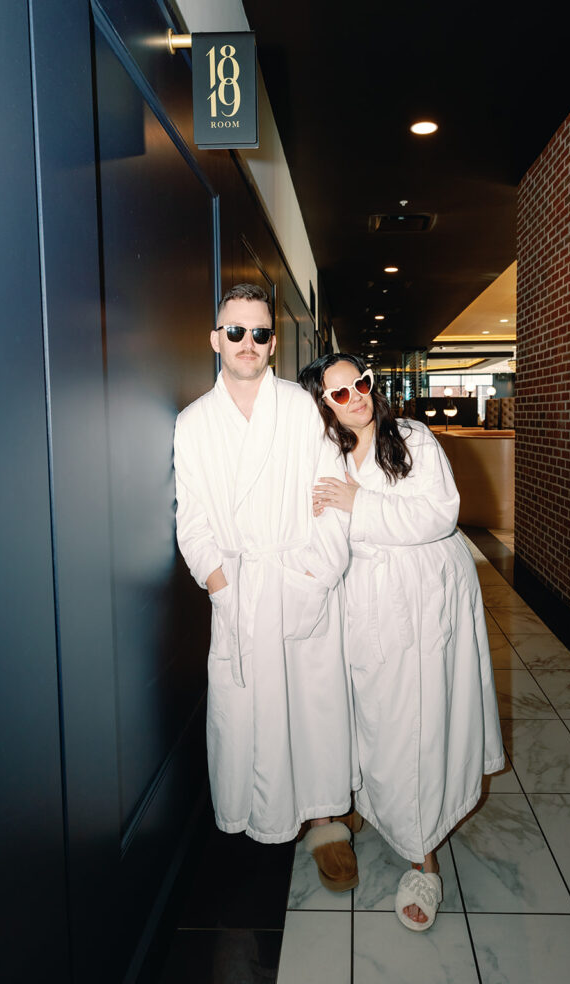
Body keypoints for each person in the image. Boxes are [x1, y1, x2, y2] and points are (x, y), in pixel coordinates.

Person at [299, 353, 504, 930]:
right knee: (377, 716)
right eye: (338, 394)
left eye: (359, 384)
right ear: (323, 405)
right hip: (367, 600)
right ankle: (377, 808)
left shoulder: (410, 435)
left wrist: (358, 503)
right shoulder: (324, 454)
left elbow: (439, 514)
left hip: (426, 598)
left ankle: (424, 860)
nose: (355, 397)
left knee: (419, 723)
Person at [173, 285, 359, 890]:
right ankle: (262, 823)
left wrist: (312, 578)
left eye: (258, 333)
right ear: (215, 339)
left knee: (315, 709)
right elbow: (192, 520)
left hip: (301, 579)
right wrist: (224, 588)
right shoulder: (194, 422)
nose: (246, 343)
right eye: (235, 331)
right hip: (242, 592)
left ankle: (329, 820)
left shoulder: (303, 409)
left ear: (273, 343)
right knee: (250, 717)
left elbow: (332, 496)